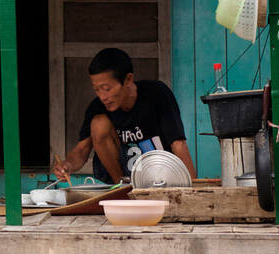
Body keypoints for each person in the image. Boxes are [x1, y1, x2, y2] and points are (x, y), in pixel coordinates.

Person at [52, 47, 195, 184]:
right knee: (98, 124)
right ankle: (121, 188)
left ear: (128, 80)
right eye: (97, 90)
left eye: (107, 89)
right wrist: (67, 165)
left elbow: (178, 143)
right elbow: (82, 149)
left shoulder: (156, 94)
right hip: (124, 179)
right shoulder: (97, 107)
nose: (102, 97)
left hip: (162, 177)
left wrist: (193, 188)